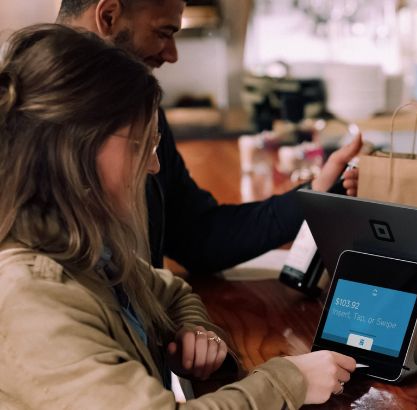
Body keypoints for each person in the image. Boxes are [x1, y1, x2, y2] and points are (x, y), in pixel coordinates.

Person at [0, 24, 354, 408]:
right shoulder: (32, 298)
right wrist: (291, 380)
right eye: (141, 143)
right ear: (75, 147)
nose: (153, 165)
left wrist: (194, 329)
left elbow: (169, 290)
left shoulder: (84, 249)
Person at [55, 0, 362, 274]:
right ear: (108, 16)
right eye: (164, 32)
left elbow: (197, 236)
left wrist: (315, 196)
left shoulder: (142, 111)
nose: (172, 55)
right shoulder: (21, 126)